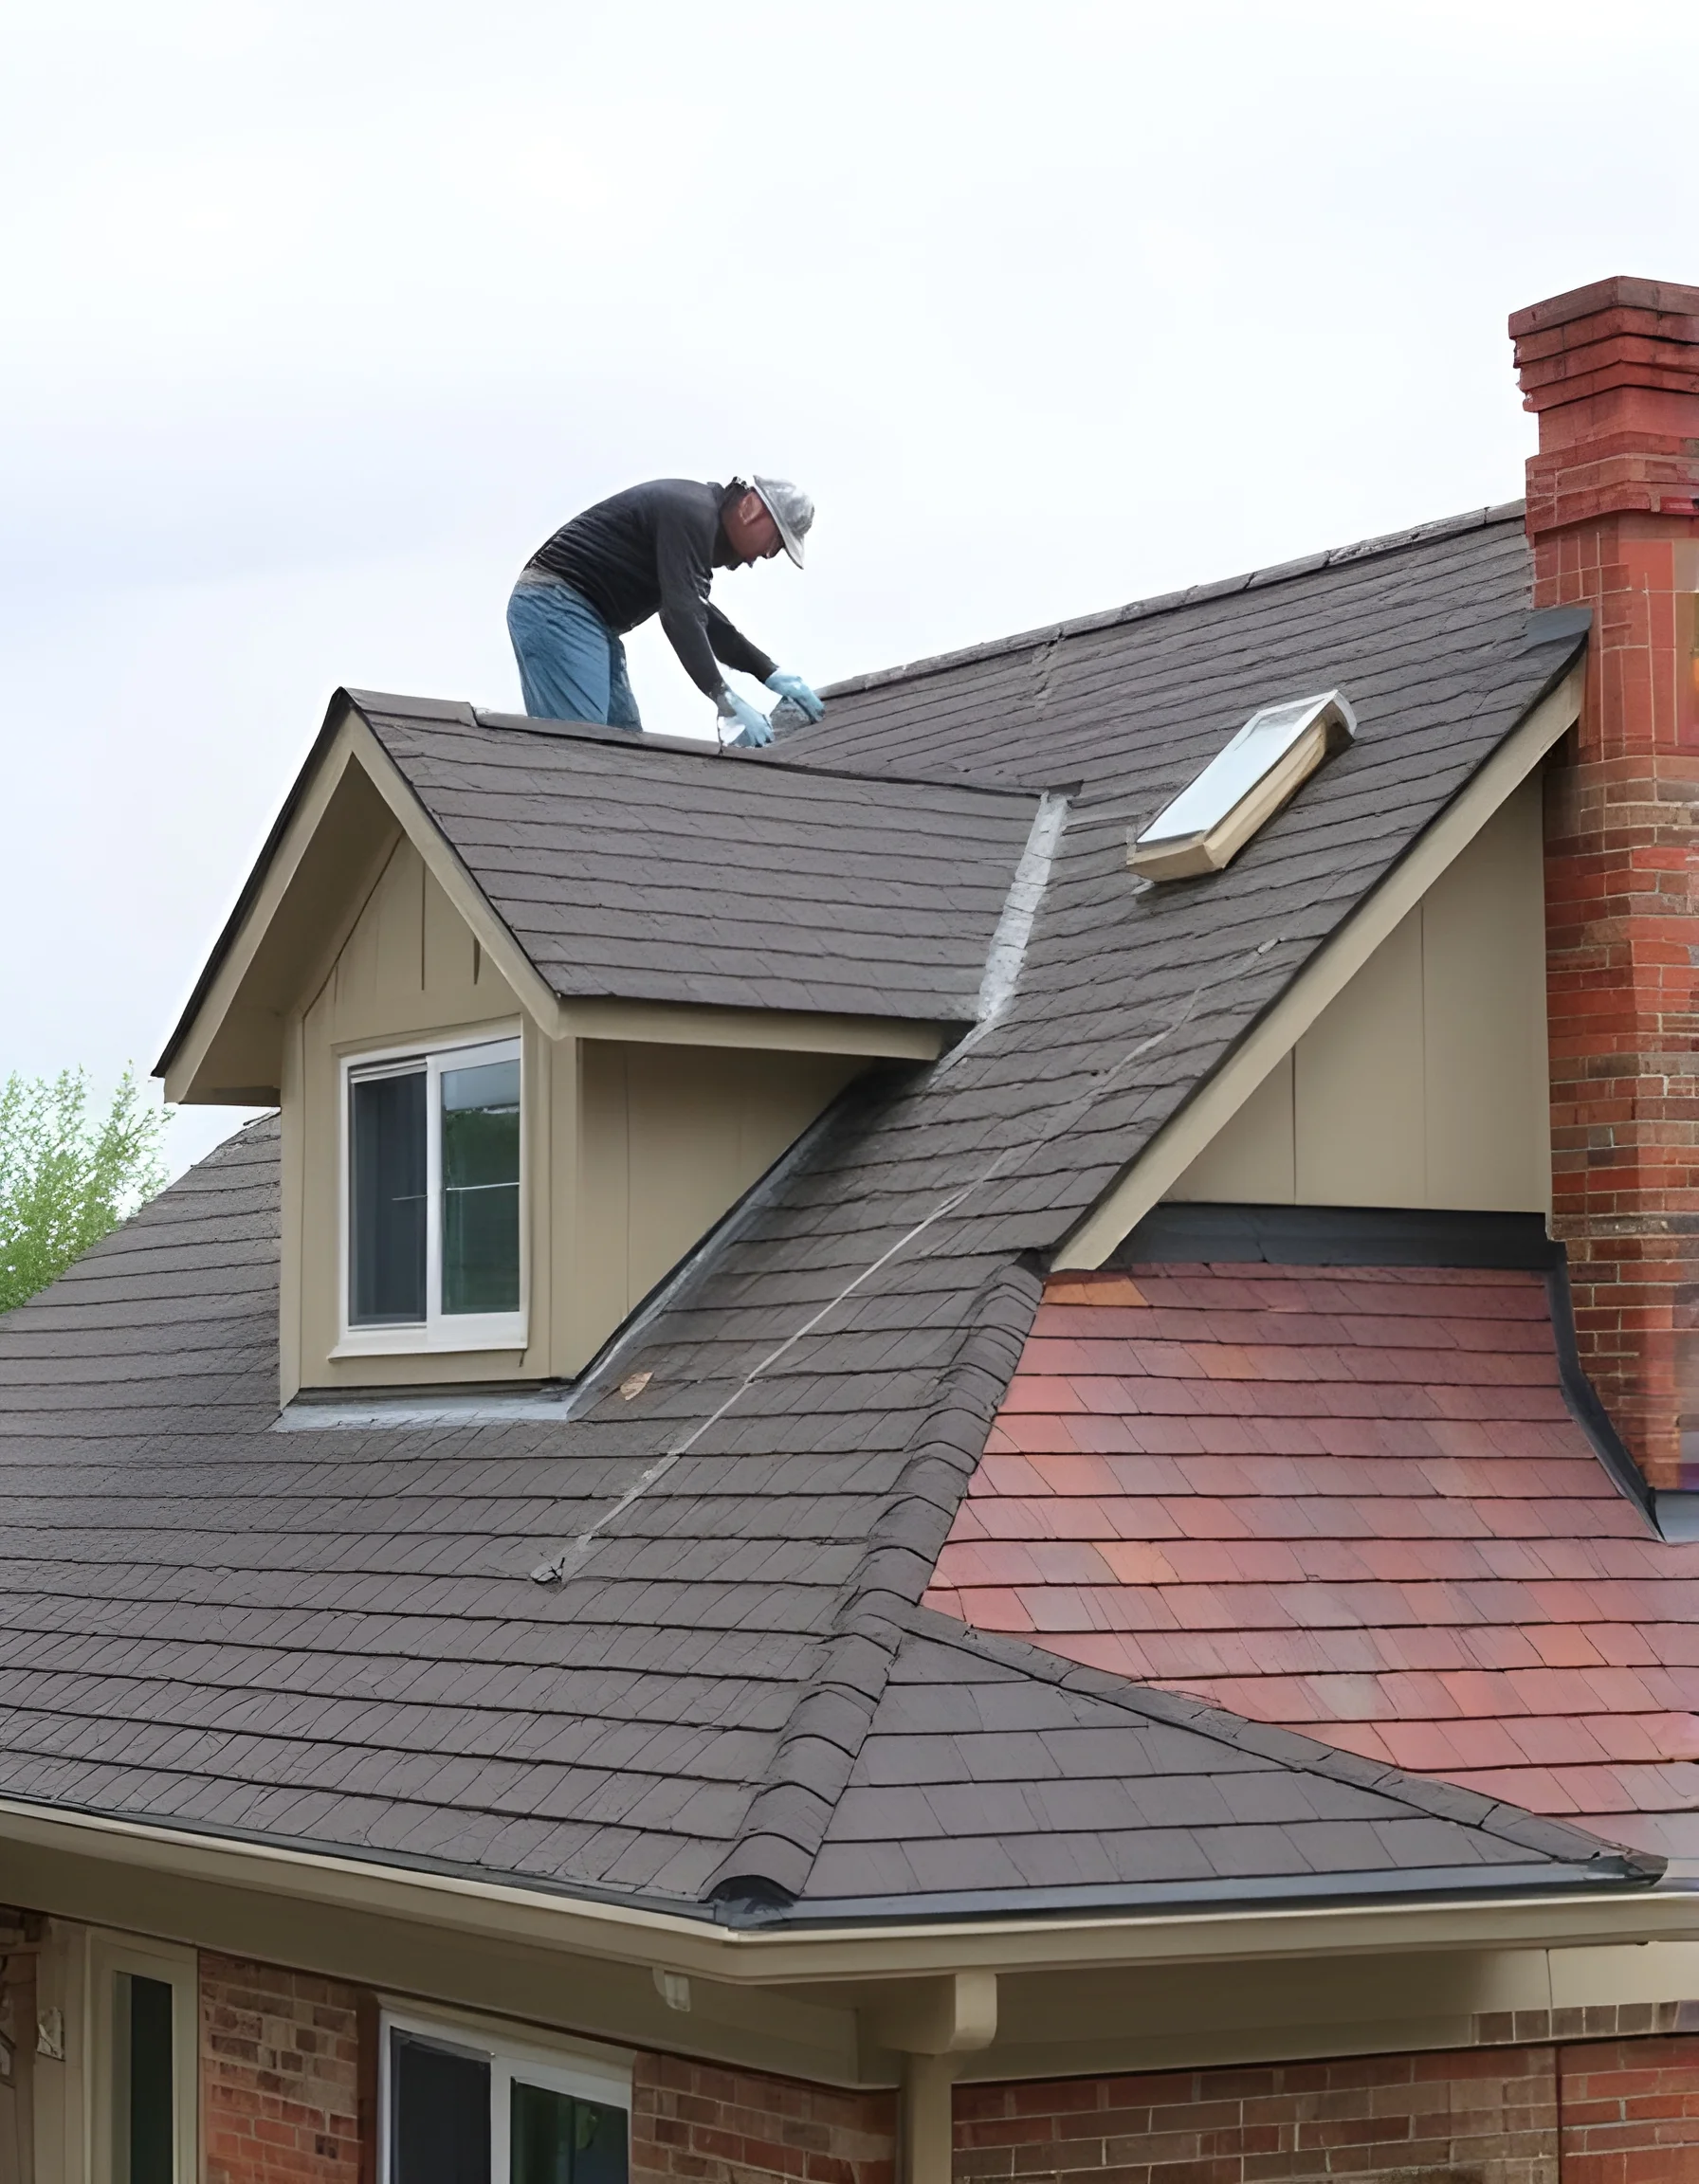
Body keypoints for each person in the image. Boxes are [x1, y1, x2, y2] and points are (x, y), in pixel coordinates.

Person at [506, 476, 824, 745]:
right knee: (583, 748)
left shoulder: (697, 523)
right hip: (556, 606)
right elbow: (681, 614)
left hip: (589, 620)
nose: (764, 557)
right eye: (775, 543)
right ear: (752, 508)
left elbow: (698, 614)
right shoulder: (691, 512)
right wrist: (722, 696)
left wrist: (769, 672)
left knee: (624, 750)